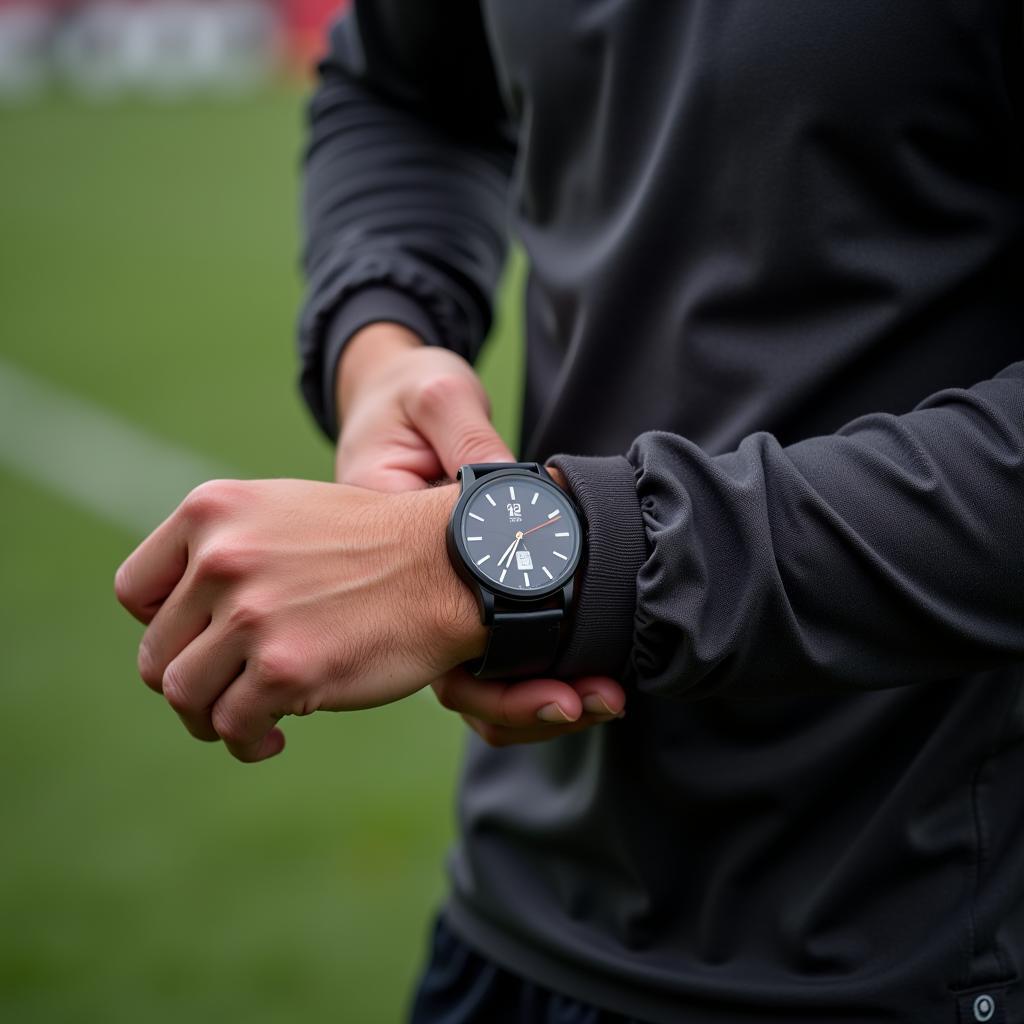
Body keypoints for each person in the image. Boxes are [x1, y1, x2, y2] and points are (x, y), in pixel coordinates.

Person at [115, 1, 1024, 1021]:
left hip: (919, 952)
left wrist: (495, 566)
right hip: (516, 919)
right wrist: (382, 339)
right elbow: (404, 89)